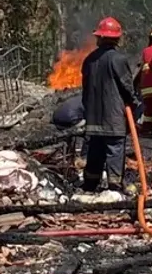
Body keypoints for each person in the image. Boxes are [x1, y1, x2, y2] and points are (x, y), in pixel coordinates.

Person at [53, 18, 142, 189]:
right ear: (117, 38)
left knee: (95, 150)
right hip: (113, 119)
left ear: (99, 37)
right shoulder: (118, 59)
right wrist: (134, 102)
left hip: (93, 118)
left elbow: (86, 90)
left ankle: (90, 183)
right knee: (115, 149)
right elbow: (127, 86)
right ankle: (115, 186)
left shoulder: (89, 60)